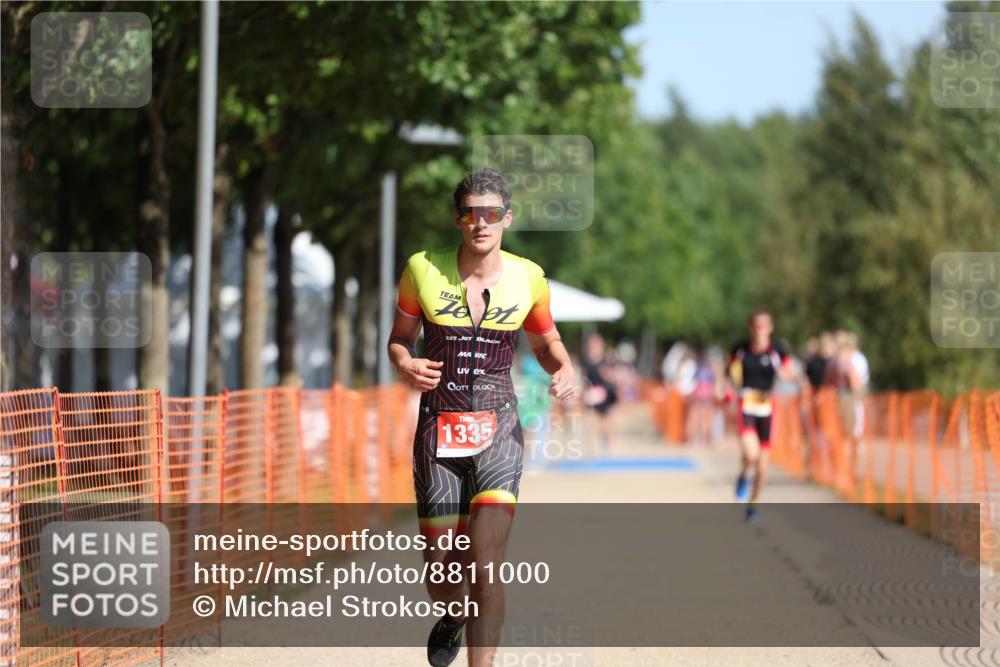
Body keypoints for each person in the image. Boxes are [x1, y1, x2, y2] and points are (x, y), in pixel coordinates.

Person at [387, 167, 576, 667]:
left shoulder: (528, 277)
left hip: (498, 432)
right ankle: (452, 616)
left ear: (506, 219)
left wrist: (565, 367)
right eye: (471, 214)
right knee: (441, 568)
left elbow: (546, 342)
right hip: (438, 430)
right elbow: (399, 339)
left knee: (486, 564)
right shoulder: (421, 269)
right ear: (457, 219)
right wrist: (405, 363)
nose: (481, 224)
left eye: (491, 214)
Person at [726, 310, 796, 520]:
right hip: (746, 405)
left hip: (767, 408)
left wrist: (787, 375)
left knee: (763, 468)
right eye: (756, 326)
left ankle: (753, 505)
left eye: (763, 326)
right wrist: (727, 389)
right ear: (750, 327)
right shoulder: (740, 349)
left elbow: (792, 372)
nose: (759, 330)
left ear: (770, 328)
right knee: (751, 454)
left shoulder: (777, 351)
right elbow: (728, 372)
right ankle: (743, 476)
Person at [581, 332, 618, 452]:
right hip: (593, 397)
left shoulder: (606, 360)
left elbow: (613, 378)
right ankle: (593, 450)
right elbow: (584, 380)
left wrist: (606, 374)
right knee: (592, 424)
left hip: (607, 396)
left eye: (596, 344)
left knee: (607, 425)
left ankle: (609, 448)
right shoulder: (587, 362)